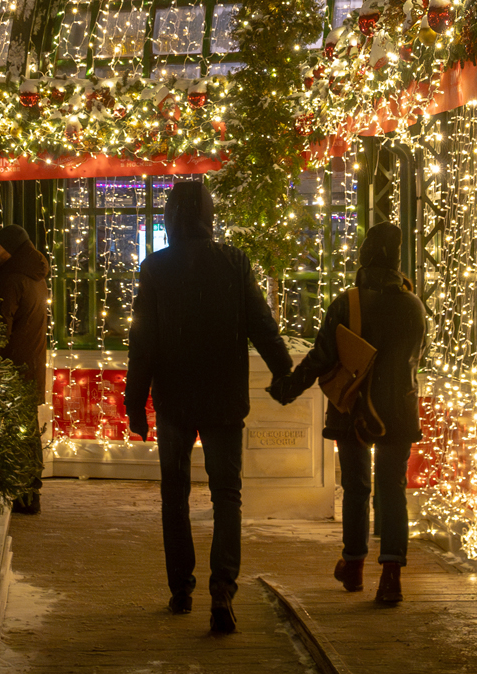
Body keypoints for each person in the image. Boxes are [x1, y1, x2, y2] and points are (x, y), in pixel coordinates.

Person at [123, 179, 294, 635]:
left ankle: (181, 589)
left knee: (174, 497)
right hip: (223, 398)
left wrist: (135, 402)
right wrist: (285, 372)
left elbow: (143, 344)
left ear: (170, 216)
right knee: (227, 496)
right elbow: (262, 324)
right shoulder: (234, 262)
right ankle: (223, 589)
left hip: (175, 399)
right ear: (208, 213)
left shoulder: (155, 268)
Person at [269, 222, 426, 606]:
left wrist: (288, 388)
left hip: (352, 408)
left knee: (356, 488)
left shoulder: (349, 301)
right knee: (392, 491)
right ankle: (391, 576)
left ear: (364, 255)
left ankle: (353, 565)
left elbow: (323, 357)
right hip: (398, 411)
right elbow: (419, 356)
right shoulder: (413, 304)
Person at [0, 224, 51, 516]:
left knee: (19, 431)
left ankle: (25, 496)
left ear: (11, 250)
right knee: (26, 430)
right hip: (31, 365)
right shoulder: (36, 277)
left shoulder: (12, 279)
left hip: (13, 368)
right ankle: (29, 492)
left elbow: (0, 328)